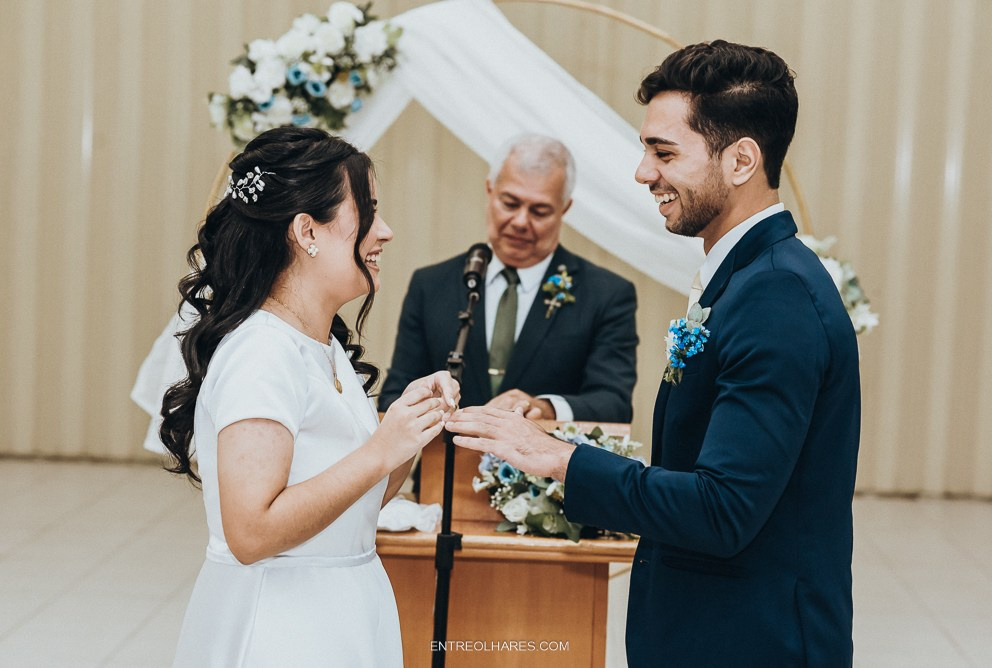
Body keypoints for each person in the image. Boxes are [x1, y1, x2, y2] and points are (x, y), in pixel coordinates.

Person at [447, 41, 861, 667]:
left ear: (742, 159)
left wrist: (560, 458)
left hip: (752, 640)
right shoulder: (746, 277)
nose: (643, 173)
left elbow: (723, 509)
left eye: (664, 152)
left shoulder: (777, 293)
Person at [159, 126, 458, 667]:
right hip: (284, 623)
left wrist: (410, 427)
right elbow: (251, 532)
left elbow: (354, 505)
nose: (385, 231)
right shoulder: (261, 354)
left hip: (341, 609)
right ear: (307, 231)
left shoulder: (322, 348)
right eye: (367, 210)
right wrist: (379, 449)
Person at [378, 133, 638, 424]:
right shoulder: (431, 284)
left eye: (539, 211)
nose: (520, 222)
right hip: (445, 464)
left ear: (564, 210)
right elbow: (394, 396)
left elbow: (614, 403)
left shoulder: (607, 294)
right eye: (510, 203)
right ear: (490, 190)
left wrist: (545, 408)